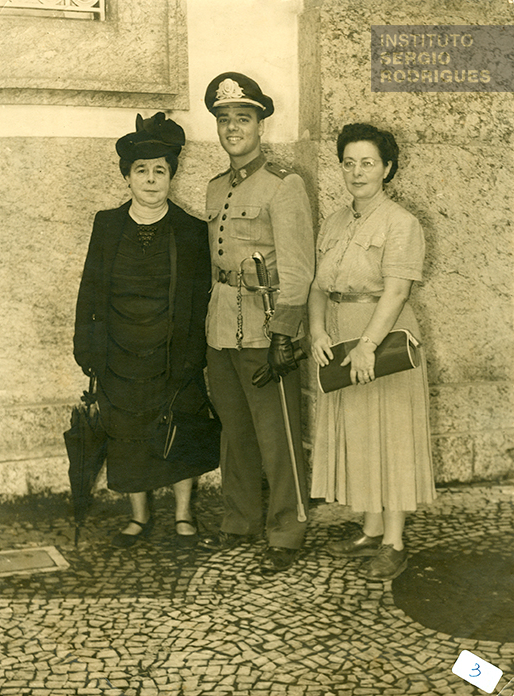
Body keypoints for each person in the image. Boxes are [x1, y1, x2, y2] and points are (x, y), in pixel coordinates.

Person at [73, 112, 213, 548]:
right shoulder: (107, 224)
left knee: (180, 428)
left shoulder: (191, 231)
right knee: (128, 433)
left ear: (171, 176)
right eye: (142, 171)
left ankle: (184, 515)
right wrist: (88, 346)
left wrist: (194, 355)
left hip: (174, 350)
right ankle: (138, 517)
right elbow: (90, 288)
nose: (151, 180)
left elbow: (199, 298)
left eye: (160, 171)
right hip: (120, 350)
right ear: (127, 178)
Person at [309, 122, 436, 581]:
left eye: (368, 163)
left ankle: (394, 542)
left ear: (387, 169)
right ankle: (370, 528)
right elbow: (318, 286)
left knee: (392, 437)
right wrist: (318, 331)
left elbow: (396, 293)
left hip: (384, 344)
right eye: (349, 163)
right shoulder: (336, 221)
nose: (357, 172)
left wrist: (367, 346)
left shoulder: (402, 223)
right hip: (342, 340)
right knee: (362, 435)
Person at [199, 72, 315, 574]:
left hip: (266, 329)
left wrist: (285, 336)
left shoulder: (284, 187)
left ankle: (287, 531)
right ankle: (241, 520)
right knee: (236, 432)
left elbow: (298, 269)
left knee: (278, 435)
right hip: (222, 328)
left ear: (260, 125)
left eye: (241, 119)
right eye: (224, 120)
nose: (232, 128)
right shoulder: (213, 188)